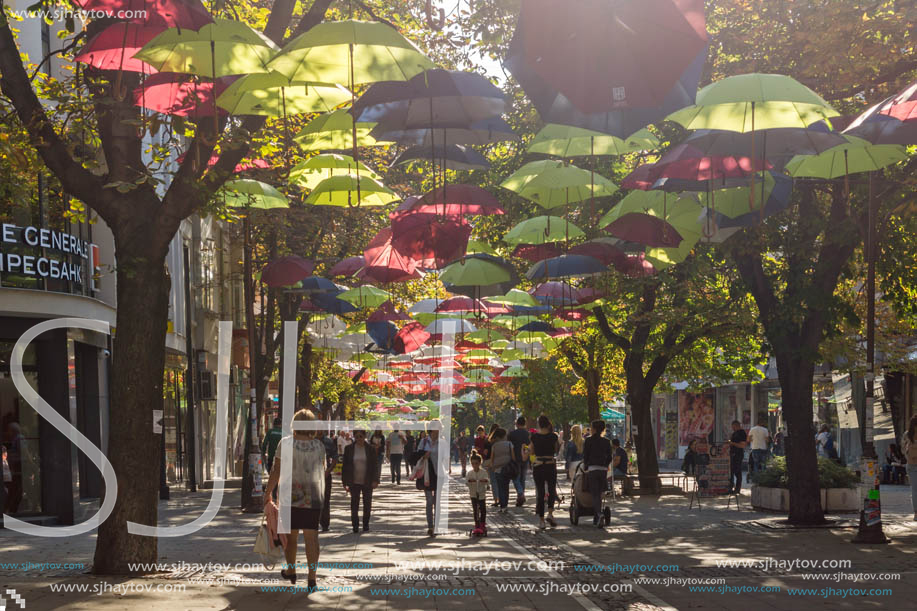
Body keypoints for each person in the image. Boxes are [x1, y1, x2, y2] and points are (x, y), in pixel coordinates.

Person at [263, 409, 327, 591]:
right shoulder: (319, 446)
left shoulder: (285, 444)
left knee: (291, 539)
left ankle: (291, 571)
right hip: (313, 498)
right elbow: (320, 470)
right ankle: (312, 579)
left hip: (289, 497)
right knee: (312, 538)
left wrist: (268, 492)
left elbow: (276, 470)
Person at [342, 430, 379, 533]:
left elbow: (375, 465)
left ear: (365, 436)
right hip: (353, 481)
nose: (359, 439)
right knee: (354, 504)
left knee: (367, 504)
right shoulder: (349, 449)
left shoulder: (370, 449)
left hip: (367, 481)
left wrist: (375, 480)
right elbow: (345, 466)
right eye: (357, 437)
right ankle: (355, 525)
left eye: (361, 436)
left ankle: (366, 524)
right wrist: (345, 483)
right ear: (354, 437)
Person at [530, 415, 560, 529]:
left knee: (540, 492)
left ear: (539, 424)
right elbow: (556, 450)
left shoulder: (534, 437)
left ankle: (541, 520)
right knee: (551, 490)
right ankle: (551, 513)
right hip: (550, 465)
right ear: (548, 424)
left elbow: (531, 452)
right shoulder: (553, 436)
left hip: (538, 466)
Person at [582, 420, 612, 528]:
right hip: (603, 470)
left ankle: (599, 514)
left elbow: (586, 455)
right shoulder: (607, 441)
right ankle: (597, 516)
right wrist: (605, 465)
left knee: (594, 494)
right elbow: (609, 457)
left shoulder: (588, 440)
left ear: (593, 429)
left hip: (593, 469)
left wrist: (586, 466)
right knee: (600, 493)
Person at [417, 425, 441, 536]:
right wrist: (423, 456)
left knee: (436, 502)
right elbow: (417, 455)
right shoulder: (424, 441)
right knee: (429, 500)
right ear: (431, 430)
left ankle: (436, 526)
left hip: (438, 474)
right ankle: (430, 526)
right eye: (437, 428)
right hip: (427, 474)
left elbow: (445, 457)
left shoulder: (442, 442)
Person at [487, 428, 513, 512]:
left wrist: (492, 466)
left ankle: (502, 507)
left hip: (498, 469)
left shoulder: (494, 445)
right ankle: (506, 504)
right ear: (504, 436)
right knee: (506, 488)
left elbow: (492, 458)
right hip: (508, 469)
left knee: (500, 488)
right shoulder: (509, 444)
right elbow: (513, 457)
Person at [317, 429, 338, 532]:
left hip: (326, 475)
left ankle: (325, 524)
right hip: (312, 475)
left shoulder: (329, 442)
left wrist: (329, 471)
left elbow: (335, 457)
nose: (318, 431)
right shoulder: (310, 441)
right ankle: (314, 522)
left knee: (325, 500)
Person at [507, 416, 531, 507]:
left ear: (517, 424)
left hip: (515, 458)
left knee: (515, 477)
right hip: (525, 457)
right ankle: (521, 496)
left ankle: (520, 494)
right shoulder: (528, 434)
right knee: (522, 478)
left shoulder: (512, 434)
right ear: (525, 423)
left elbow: (509, 446)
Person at [465, 450, 489, 535]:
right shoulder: (470, 473)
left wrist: (484, 480)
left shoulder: (483, 472)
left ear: (479, 463)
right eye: (473, 463)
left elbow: (487, 480)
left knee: (483, 509)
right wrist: (470, 481)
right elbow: (466, 482)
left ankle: (482, 524)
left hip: (481, 493)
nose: (474, 465)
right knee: (475, 510)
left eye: (476, 463)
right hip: (473, 493)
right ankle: (477, 525)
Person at [725, 420, 747, 494]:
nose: (732, 428)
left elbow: (742, 445)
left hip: (738, 454)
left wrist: (732, 443)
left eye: (733, 427)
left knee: (737, 471)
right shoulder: (734, 433)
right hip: (732, 454)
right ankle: (731, 486)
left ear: (736, 425)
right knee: (731, 471)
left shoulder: (742, 433)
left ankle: (738, 488)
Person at [903, 416, 917, 520]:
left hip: (911, 464)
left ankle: (916, 513)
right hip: (912, 465)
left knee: (914, 490)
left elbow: (902, 449)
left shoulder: (907, 434)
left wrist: (908, 456)